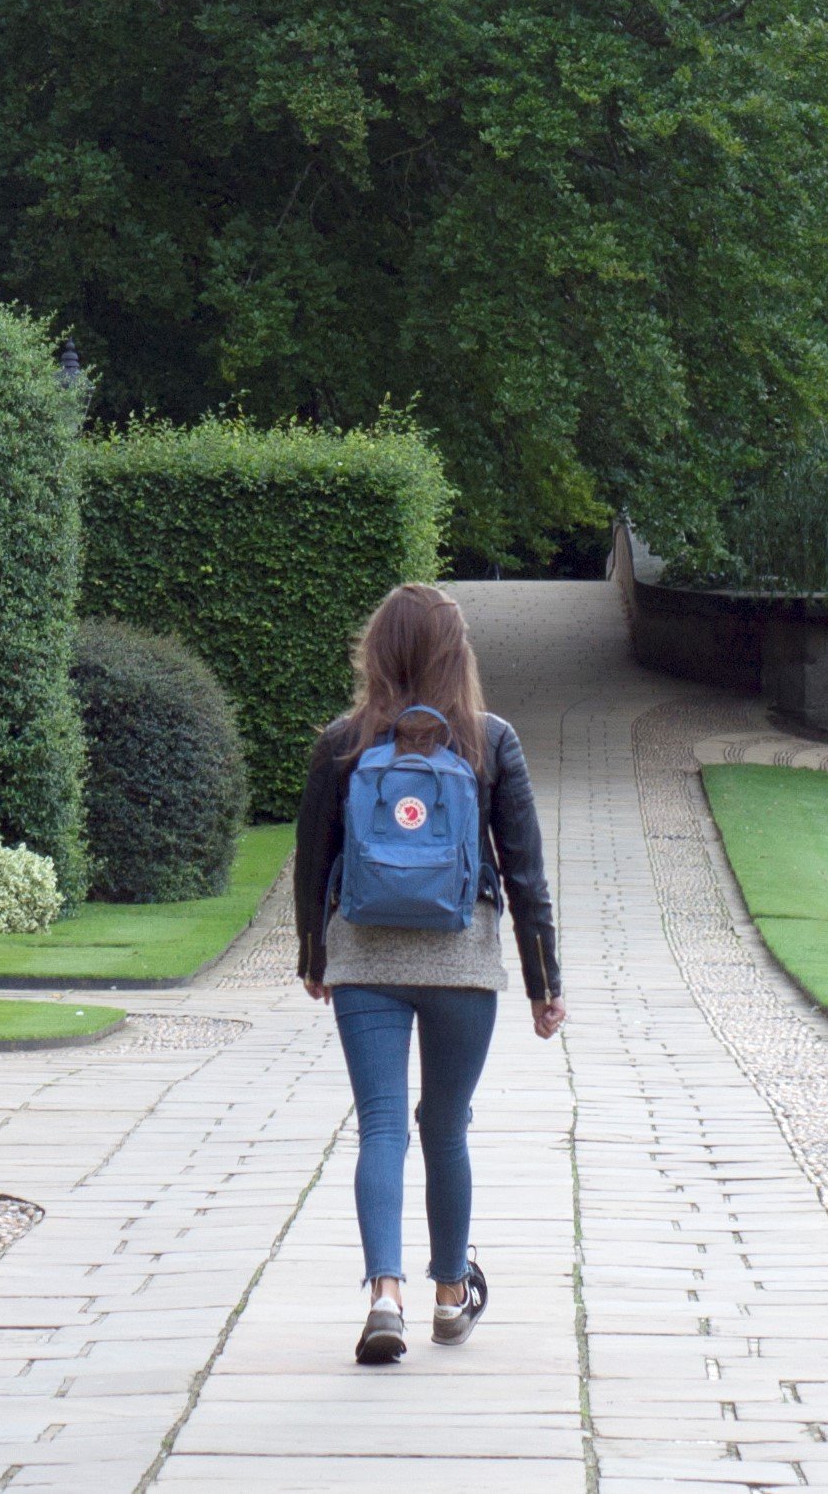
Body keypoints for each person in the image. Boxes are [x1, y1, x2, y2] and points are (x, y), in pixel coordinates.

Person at [295, 582, 565, 1365]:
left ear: (376, 651)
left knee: (380, 1124)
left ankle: (386, 1293)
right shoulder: (488, 740)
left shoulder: (344, 741)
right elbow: (525, 873)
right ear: (458, 654)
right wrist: (544, 982)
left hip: (365, 956)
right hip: (462, 962)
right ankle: (452, 1294)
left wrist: (317, 958)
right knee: (444, 1126)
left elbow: (310, 863)